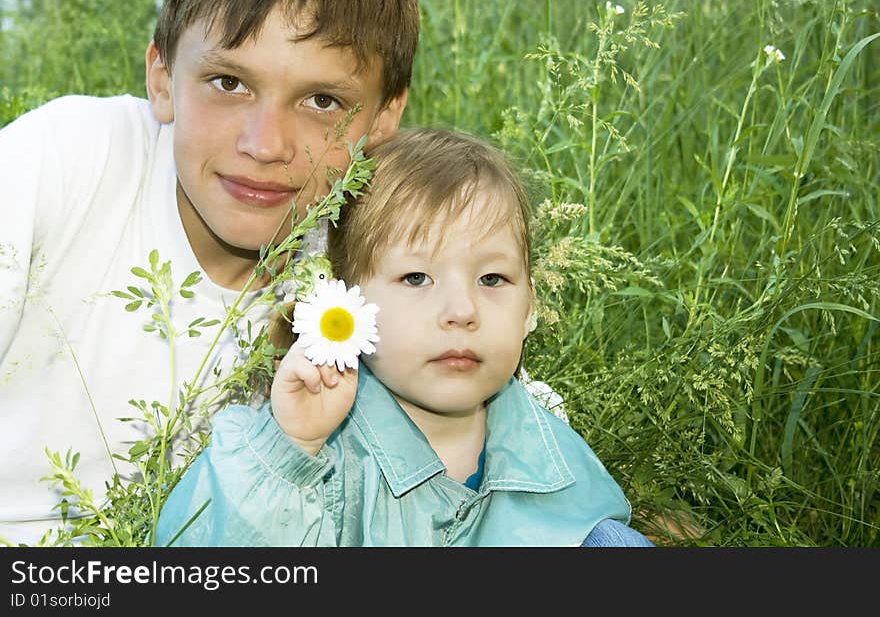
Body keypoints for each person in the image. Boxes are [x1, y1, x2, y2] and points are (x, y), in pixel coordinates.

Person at [0, 0, 419, 546]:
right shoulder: (64, 161)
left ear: (385, 117)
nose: (265, 144)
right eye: (229, 83)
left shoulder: (370, 261)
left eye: (321, 100)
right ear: (161, 78)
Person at [155, 128, 654, 547]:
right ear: (346, 309)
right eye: (416, 278)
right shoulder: (323, 448)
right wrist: (288, 450)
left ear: (530, 309)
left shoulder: (544, 442)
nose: (462, 311)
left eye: (492, 280)